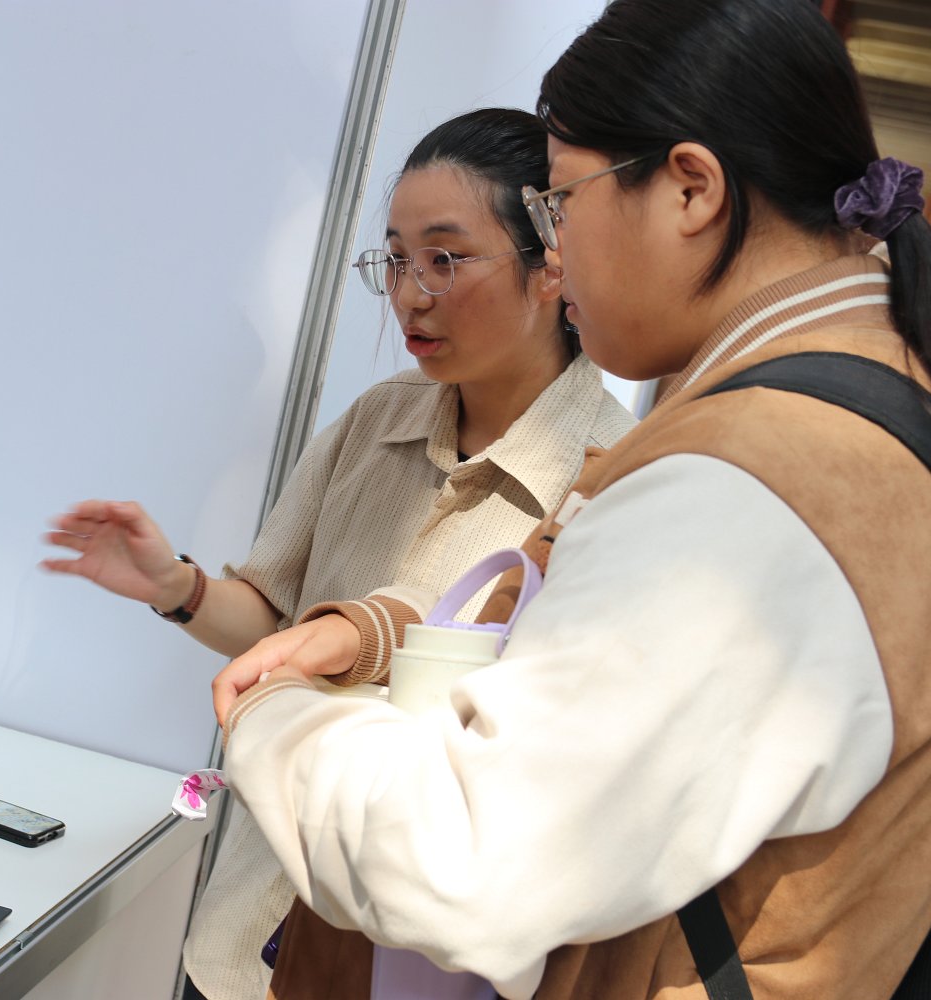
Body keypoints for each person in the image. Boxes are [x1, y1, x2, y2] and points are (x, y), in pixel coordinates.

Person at [211, 1, 931, 997]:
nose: (555, 253)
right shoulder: (877, 405)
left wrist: (276, 716)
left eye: (559, 202)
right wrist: (374, 633)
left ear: (690, 188)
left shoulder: (755, 479)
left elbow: (464, 860)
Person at [42, 108, 635, 1000]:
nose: (410, 295)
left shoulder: (609, 480)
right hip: (243, 939)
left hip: (408, 964)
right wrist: (178, 587)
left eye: (445, 258)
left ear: (550, 263)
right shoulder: (377, 419)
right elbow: (275, 625)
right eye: (395, 260)